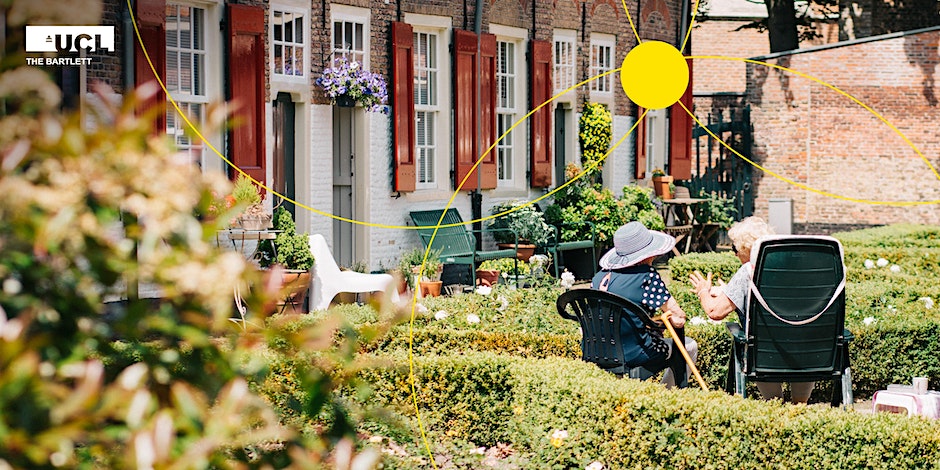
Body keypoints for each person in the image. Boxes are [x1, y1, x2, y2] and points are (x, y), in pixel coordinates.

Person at [689, 216, 815, 404]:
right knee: (796, 338)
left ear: (746, 249)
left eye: (734, 249)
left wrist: (703, 292)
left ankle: (775, 405)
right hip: (809, 352)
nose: (734, 254)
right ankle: (800, 404)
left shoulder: (748, 270)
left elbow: (714, 312)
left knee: (756, 343)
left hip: (766, 354)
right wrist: (730, 291)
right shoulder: (799, 269)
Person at [592, 221, 698, 388]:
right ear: (648, 254)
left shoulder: (599, 277)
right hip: (633, 353)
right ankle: (667, 394)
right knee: (690, 346)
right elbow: (678, 318)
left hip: (597, 351)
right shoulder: (646, 276)